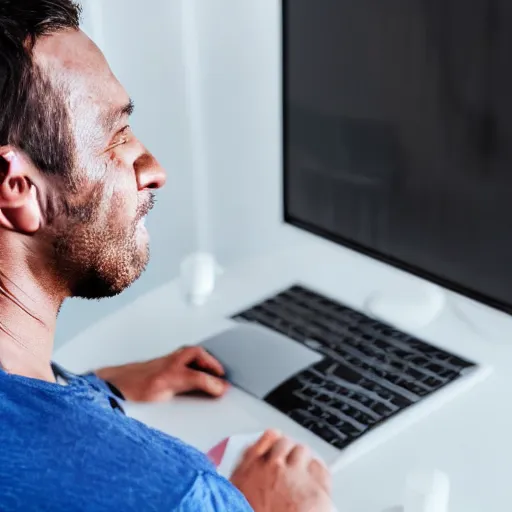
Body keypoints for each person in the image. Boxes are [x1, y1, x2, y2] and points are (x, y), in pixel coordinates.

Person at [0, 1, 334, 511]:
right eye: (117, 136)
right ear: (17, 188)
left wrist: (95, 388)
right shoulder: (177, 493)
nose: (154, 169)